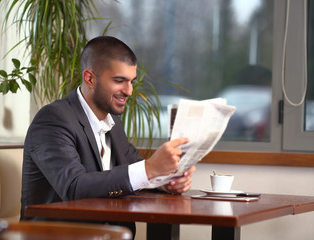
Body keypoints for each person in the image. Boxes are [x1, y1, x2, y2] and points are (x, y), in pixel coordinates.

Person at [21, 36, 196, 235]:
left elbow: (135, 172)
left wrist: (167, 182)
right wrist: (150, 169)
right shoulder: (53, 119)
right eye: (119, 81)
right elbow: (74, 187)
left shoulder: (113, 123)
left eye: (131, 81)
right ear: (90, 78)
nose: (129, 91)